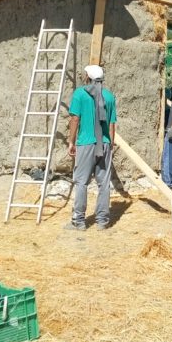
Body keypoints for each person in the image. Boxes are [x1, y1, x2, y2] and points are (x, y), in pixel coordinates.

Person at [65, 64, 117, 231]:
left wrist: (71, 142)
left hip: (86, 143)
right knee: (104, 183)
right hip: (105, 143)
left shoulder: (80, 94)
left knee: (81, 182)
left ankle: (79, 221)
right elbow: (111, 124)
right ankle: (102, 221)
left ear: (88, 77)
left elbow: (75, 119)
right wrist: (110, 144)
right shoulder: (109, 96)